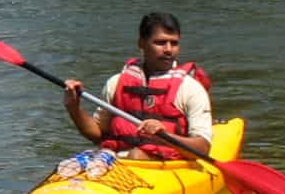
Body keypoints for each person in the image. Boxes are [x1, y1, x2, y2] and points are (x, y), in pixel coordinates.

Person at [62, 12, 213, 160]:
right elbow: (97, 134)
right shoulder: (116, 83)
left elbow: (202, 149)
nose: (168, 50)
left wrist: (164, 136)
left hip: (163, 165)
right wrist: (74, 108)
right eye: (160, 42)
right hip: (116, 163)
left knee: (137, 155)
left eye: (174, 43)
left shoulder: (190, 89)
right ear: (141, 43)